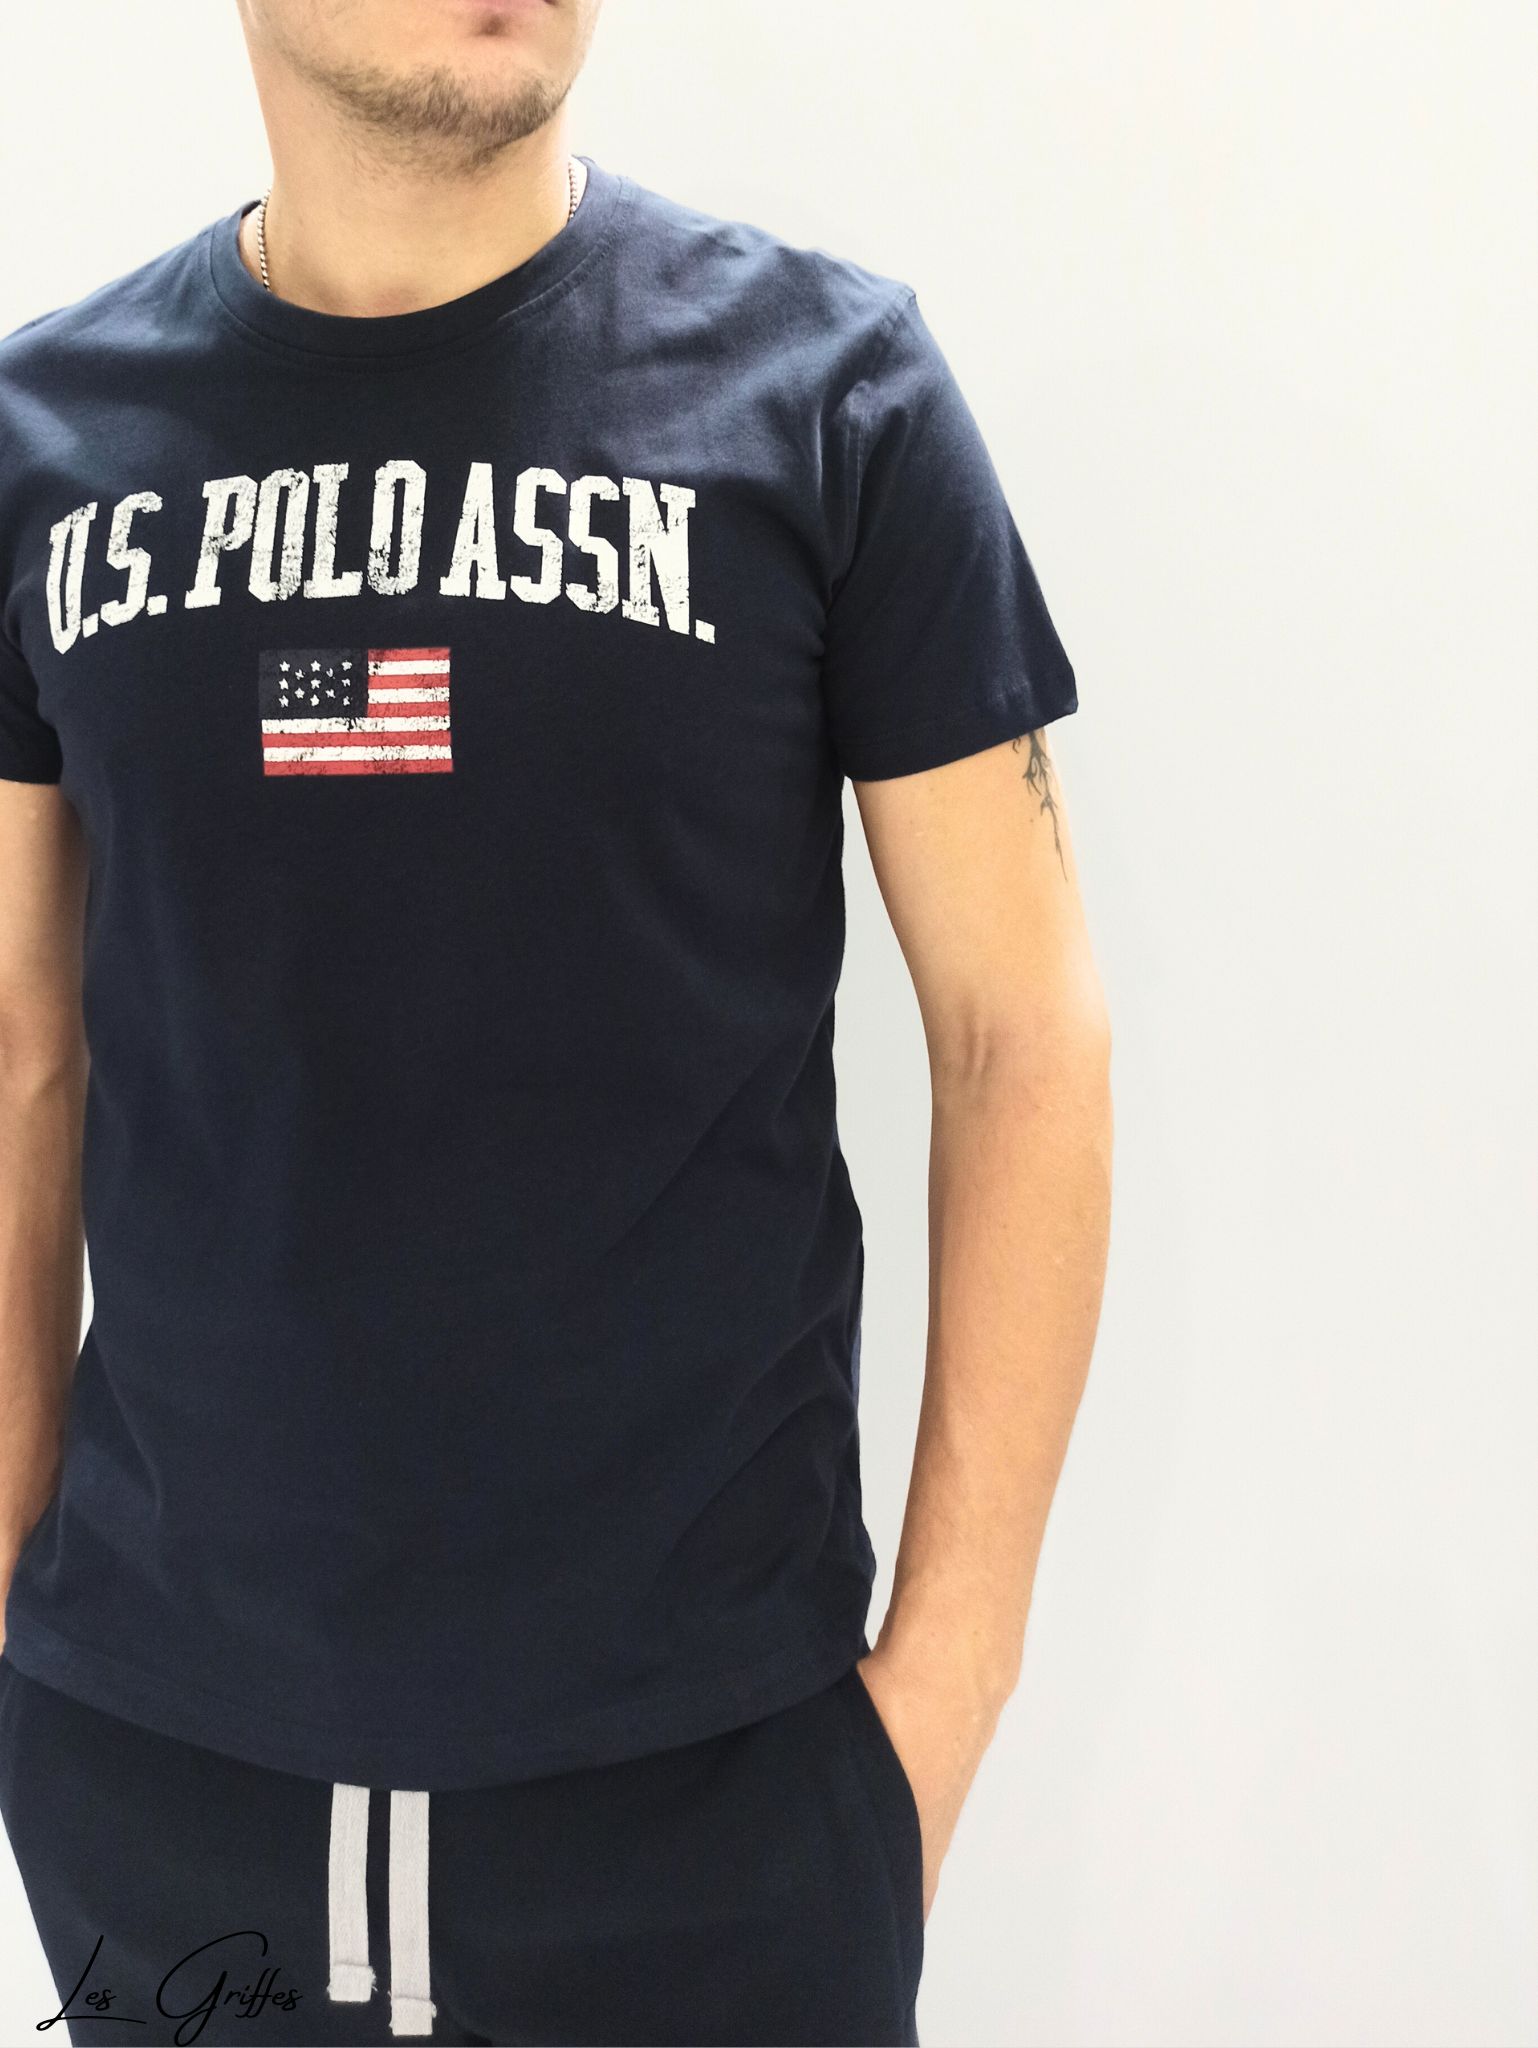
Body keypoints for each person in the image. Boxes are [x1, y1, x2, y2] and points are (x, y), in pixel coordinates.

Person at [0, 2, 1113, 2042]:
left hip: (717, 1795)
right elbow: (16, 1049)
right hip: (158, 1773)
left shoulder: (829, 396)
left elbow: (1015, 1036)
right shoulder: (41, 442)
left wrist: (938, 1702)